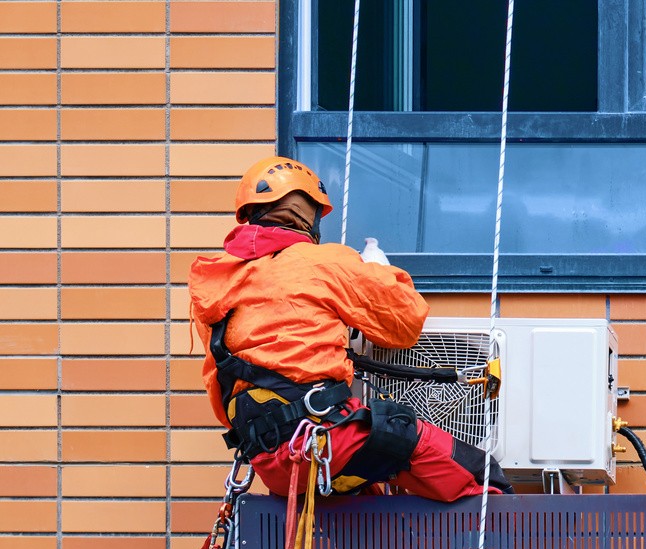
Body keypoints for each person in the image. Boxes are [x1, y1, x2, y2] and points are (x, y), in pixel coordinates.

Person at [188, 156, 512, 500]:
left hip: (272, 463)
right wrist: (377, 270)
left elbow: (219, 391)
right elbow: (405, 323)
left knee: (372, 518)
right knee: (481, 475)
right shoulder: (323, 262)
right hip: (328, 440)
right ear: (309, 215)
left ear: (252, 213)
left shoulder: (214, 286)